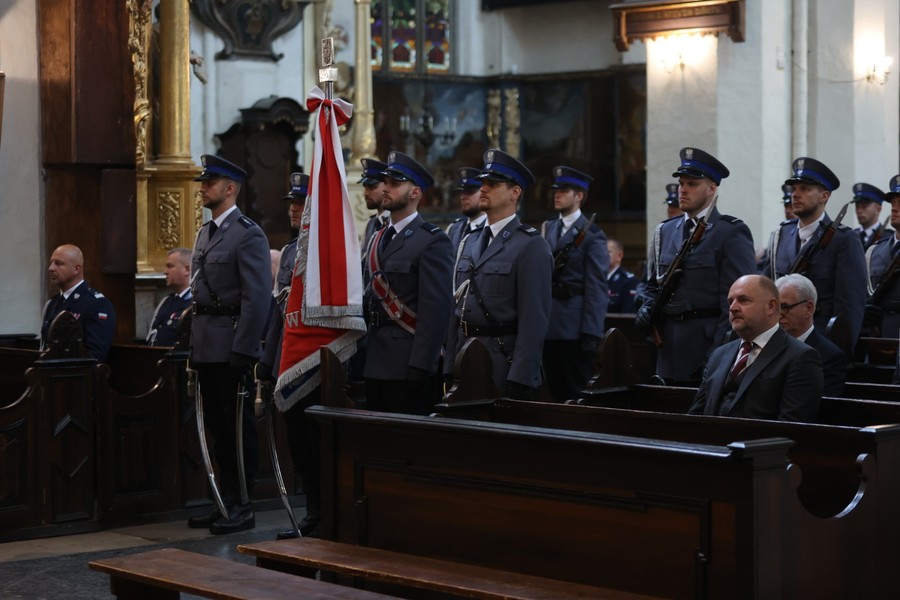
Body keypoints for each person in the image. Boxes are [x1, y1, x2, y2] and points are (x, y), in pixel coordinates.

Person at [187, 154, 272, 535]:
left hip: (231, 346)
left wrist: (244, 350)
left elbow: (257, 298)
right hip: (206, 344)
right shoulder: (205, 233)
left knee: (237, 430)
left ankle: (243, 504)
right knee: (216, 430)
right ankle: (222, 500)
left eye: (211, 181)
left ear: (230, 188)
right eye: (204, 180)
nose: (203, 186)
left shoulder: (247, 233)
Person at [636, 147, 756, 386]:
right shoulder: (665, 231)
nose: (683, 189)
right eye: (682, 183)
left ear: (711, 188)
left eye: (692, 184)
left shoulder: (730, 233)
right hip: (666, 348)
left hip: (706, 348)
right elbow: (650, 285)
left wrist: (720, 353)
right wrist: (645, 306)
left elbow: (736, 303)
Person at [445, 149, 553, 399]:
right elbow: (456, 310)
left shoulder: (530, 245)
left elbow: (533, 322)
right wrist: (449, 365)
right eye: (482, 182)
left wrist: (520, 378)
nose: (483, 188)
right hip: (465, 360)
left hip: (502, 363)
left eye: (492, 184)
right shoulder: (469, 242)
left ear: (515, 192)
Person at [257, 172, 323, 539]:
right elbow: (279, 308)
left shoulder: (326, 246)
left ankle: (326, 510)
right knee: (297, 441)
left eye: (301, 203)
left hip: (316, 359)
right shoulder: (291, 251)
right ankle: (313, 510)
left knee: (317, 441)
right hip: (288, 354)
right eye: (292, 204)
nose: (294, 210)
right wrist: (268, 359)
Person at [363, 151, 453, 415]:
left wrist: (422, 364)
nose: (386, 188)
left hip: (407, 363)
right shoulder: (377, 237)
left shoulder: (432, 241)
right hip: (375, 359)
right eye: (385, 182)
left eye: (394, 183)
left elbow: (435, 311)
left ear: (415, 193)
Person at [760, 157, 867, 344]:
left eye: (805, 189)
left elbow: (849, 307)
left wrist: (839, 353)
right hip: (780, 339)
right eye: (794, 189)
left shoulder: (843, 239)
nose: (795, 194)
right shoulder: (782, 235)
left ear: (824, 196)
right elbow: (768, 288)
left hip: (820, 341)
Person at [689, 275, 823, 421]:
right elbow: (696, 415)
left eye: (743, 300)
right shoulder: (719, 355)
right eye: (730, 302)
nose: (733, 308)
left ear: (771, 306)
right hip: (708, 441)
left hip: (758, 442)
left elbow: (791, 427)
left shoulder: (801, 357)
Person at [540, 166, 609, 401]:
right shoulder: (548, 228)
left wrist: (591, 332)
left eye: (564, 190)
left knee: (575, 391)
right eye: (556, 190)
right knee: (554, 389)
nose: (557, 194)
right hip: (548, 322)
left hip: (573, 326)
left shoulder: (593, 235)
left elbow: (597, 287)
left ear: (579, 196)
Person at [775, 273, 847, 397]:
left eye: (785, 307)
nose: (779, 314)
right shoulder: (766, 346)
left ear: (808, 308)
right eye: (775, 308)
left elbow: (824, 406)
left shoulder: (830, 356)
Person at [41, 244, 116, 361]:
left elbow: (95, 356)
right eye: (51, 263)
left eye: (58, 263)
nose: (51, 268)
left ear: (76, 269)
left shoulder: (96, 304)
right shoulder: (52, 303)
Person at [863, 174, 900, 339]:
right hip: (878, 339)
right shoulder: (873, 252)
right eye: (893, 203)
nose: (894, 208)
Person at [146, 248, 193, 347]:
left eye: (170, 266)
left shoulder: (195, 303)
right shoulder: (166, 301)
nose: (165, 272)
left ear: (187, 270)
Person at [446, 167, 487, 255]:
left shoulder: (491, 229)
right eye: (461, 192)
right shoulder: (453, 229)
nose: (463, 197)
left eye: (470, 192)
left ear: (484, 192)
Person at [359, 158, 389, 258]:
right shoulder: (371, 224)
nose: (365, 193)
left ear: (387, 187)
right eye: (365, 187)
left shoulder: (395, 223)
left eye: (372, 187)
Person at [853, 182, 890, 251]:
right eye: (857, 207)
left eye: (864, 206)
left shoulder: (888, 238)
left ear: (878, 209)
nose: (859, 211)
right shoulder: (851, 235)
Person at [607, 238, 638, 313]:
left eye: (608, 252)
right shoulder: (595, 278)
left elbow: (628, 314)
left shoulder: (629, 281)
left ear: (619, 256)